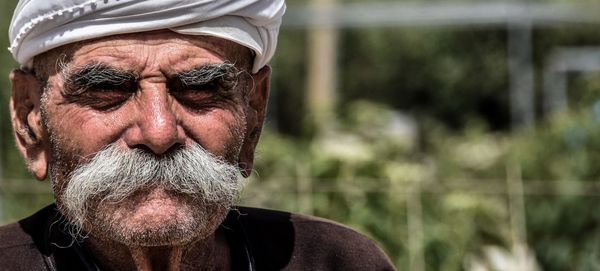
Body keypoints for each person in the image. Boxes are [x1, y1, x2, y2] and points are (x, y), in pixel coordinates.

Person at [1, 0, 395, 270]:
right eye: (106, 90)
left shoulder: (334, 261)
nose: (159, 133)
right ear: (29, 117)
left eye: (201, 89)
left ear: (253, 114)